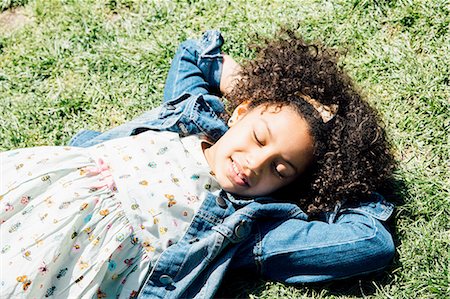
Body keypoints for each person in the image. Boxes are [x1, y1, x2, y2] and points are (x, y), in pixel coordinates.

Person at [0, 30, 395, 299]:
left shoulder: (246, 227)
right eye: (259, 137)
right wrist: (254, 88)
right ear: (239, 113)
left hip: (77, 268)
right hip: (36, 198)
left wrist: (340, 177)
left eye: (280, 169)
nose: (255, 163)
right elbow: (193, 54)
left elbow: (370, 244)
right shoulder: (191, 119)